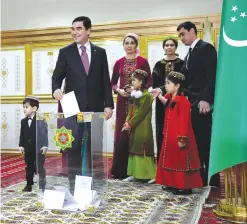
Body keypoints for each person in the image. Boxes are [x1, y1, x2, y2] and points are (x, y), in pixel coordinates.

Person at [151, 21, 220, 187]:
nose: (181, 38)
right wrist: (161, 89)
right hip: (192, 102)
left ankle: (212, 178)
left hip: (202, 102)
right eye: (179, 35)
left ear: (192, 31)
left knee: (204, 140)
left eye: (183, 34)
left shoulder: (205, 48)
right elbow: (182, 78)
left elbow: (212, 75)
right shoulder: (189, 53)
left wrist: (206, 99)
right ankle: (199, 178)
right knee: (195, 141)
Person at [52, 16, 114, 193]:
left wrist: (108, 105)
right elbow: (56, 77)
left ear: (88, 30)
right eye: (72, 29)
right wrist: (56, 89)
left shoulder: (100, 53)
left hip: (94, 108)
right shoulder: (66, 52)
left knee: (94, 147)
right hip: (71, 106)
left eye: (78, 29)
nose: (74, 32)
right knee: (73, 147)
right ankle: (74, 186)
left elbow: (105, 81)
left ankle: (92, 184)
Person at [111, 33, 152, 179]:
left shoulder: (143, 61)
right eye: (126, 43)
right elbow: (112, 82)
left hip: (138, 101)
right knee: (122, 134)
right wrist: (119, 90)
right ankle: (120, 171)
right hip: (123, 102)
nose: (129, 46)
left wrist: (137, 91)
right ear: (123, 46)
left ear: (136, 45)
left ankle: (138, 171)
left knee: (137, 133)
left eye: (132, 43)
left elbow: (149, 82)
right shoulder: (119, 62)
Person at [156, 71, 202, 194]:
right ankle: (172, 183)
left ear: (177, 86)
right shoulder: (172, 98)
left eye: (168, 83)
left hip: (180, 136)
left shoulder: (183, 102)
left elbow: (184, 121)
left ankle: (184, 186)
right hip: (170, 135)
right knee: (171, 159)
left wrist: (182, 138)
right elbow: (167, 103)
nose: (165, 86)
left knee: (181, 161)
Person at [152, 37, 184, 161]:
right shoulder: (158, 65)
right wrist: (161, 93)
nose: (169, 47)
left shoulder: (181, 64)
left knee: (176, 130)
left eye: (172, 45)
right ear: (163, 47)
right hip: (161, 101)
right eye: (167, 45)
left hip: (177, 101)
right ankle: (162, 161)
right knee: (161, 129)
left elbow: (184, 82)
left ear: (176, 47)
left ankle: (177, 161)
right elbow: (155, 85)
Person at [122, 69, 156, 183]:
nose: (132, 82)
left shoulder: (146, 96)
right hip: (134, 126)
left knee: (143, 149)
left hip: (143, 127)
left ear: (141, 82)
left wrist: (130, 124)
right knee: (134, 148)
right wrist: (127, 122)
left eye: (134, 80)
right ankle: (135, 174)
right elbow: (131, 110)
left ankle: (151, 175)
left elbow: (140, 113)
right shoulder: (136, 95)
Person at [19, 96, 48, 192]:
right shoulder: (23, 121)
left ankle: (42, 184)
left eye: (26, 107)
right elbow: (22, 135)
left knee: (40, 167)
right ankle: (29, 184)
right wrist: (21, 145)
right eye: (23, 107)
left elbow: (44, 134)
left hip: (39, 148)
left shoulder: (41, 120)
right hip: (28, 149)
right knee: (29, 166)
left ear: (34, 108)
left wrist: (44, 145)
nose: (24, 109)